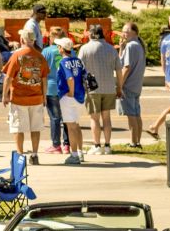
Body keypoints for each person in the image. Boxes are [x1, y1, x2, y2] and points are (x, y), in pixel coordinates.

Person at [1, 28, 47, 164]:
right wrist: (44, 96)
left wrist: (5, 95)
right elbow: (44, 78)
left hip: (19, 98)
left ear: (22, 39)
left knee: (18, 128)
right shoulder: (40, 56)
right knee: (35, 128)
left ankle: (20, 155)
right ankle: (34, 154)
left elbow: (8, 77)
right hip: (37, 97)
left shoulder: (16, 56)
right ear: (33, 40)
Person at [78, 25, 120, 154]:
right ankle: (107, 146)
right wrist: (120, 87)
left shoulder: (85, 49)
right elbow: (118, 70)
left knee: (94, 118)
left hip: (92, 88)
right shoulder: (111, 49)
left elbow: (79, 69)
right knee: (107, 118)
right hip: (109, 87)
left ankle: (96, 145)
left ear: (91, 34)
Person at [54, 37, 87, 165]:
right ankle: (80, 151)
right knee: (77, 125)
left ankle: (74, 155)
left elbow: (70, 78)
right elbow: (84, 75)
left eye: (58, 46)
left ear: (62, 49)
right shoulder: (78, 61)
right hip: (80, 96)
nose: (58, 48)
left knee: (71, 126)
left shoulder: (63, 62)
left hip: (69, 97)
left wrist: (71, 92)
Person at [118, 21, 146, 149]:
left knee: (131, 116)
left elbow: (126, 67)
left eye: (126, 31)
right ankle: (138, 141)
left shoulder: (131, 46)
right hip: (137, 85)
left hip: (128, 85)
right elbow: (121, 62)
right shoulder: (138, 45)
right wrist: (121, 49)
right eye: (123, 31)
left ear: (134, 32)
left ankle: (133, 142)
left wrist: (119, 85)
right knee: (136, 114)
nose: (124, 33)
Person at [41, 28, 67, 154]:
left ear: (52, 38)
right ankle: (67, 144)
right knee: (67, 117)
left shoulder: (46, 51)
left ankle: (56, 145)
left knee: (55, 118)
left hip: (51, 87)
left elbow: (41, 71)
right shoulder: (69, 50)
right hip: (66, 87)